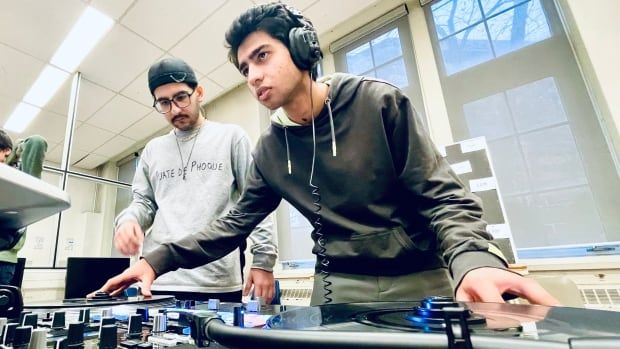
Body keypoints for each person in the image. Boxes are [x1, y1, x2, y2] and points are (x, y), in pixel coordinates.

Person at [96, 3, 558, 306]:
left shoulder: (378, 103)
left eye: (262, 56)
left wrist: (474, 262)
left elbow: (443, 198)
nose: (253, 76)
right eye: (244, 68)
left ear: (302, 49)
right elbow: (231, 226)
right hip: (339, 283)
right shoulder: (270, 151)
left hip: (422, 274)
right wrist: (155, 260)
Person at [111, 57, 277, 302]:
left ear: (199, 92)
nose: (175, 109)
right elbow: (143, 203)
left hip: (217, 282)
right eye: (164, 103)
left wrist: (263, 260)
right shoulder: (153, 150)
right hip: (159, 278)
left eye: (181, 97)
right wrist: (128, 221)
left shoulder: (231, 138)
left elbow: (255, 202)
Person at [0, 129, 47, 284]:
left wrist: (16, 149)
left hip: (3, 259)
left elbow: (36, 142)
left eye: (6, 155)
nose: (3, 158)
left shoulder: (14, 179)